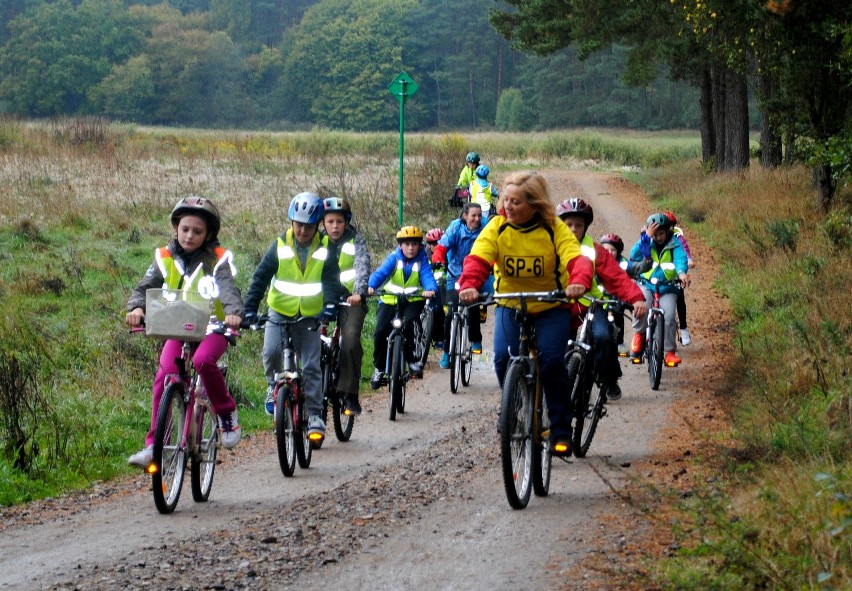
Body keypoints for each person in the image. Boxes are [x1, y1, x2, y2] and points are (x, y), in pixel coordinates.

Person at [458, 171, 593, 457]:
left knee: (552, 362)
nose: (508, 206)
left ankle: (560, 430)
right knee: (502, 358)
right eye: (506, 200)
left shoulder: (553, 227)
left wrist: (578, 280)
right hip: (511, 304)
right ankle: (513, 407)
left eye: (516, 202)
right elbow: (479, 257)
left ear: (535, 203)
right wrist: (469, 284)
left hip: (550, 306)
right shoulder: (497, 226)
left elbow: (574, 256)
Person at [125, 196, 244, 468]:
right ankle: (155, 446)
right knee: (165, 375)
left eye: (197, 231)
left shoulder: (218, 260)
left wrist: (234, 313)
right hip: (178, 326)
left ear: (209, 234)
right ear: (176, 229)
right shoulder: (164, 257)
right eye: (185, 229)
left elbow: (227, 289)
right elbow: (145, 286)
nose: (190, 236)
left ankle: (226, 413)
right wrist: (136, 308)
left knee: (203, 361)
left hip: (213, 326)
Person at [243, 192, 342, 443]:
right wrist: (249, 309)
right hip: (279, 310)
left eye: (309, 226)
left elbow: (331, 280)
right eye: (299, 225)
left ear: (318, 225)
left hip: (309, 314)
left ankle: (315, 414)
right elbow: (260, 277)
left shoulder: (325, 248)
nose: (303, 231)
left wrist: (330, 306)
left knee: (310, 365)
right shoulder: (279, 246)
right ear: (291, 222)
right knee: (271, 351)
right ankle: (271, 386)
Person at [556, 199, 647, 401]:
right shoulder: (550, 246)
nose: (573, 229)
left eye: (578, 225)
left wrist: (637, 299)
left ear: (586, 227)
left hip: (590, 304)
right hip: (560, 306)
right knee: (553, 348)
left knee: (604, 337)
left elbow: (617, 278)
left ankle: (609, 379)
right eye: (568, 225)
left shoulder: (595, 250)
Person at [368, 226, 438, 389]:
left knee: (413, 325)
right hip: (390, 300)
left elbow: (427, 276)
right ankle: (379, 368)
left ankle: (413, 360)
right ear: (400, 245)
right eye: (407, 244)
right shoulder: (393, 258)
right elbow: (381, 273)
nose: (411, 248)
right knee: (380, 332)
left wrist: (430, 289)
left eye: (414, 244)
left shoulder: (422, 260)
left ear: (420, 246)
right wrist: (371, 285)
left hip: (413, 300)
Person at [320, 196, 370, 416]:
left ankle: (349, 393)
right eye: (330, 221)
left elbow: (362, 266)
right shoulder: (316, 242)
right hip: (322, 299)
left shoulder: (355, 241)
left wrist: (358, 292)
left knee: (349, 342)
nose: (335, 226)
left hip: (350, 300)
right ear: (323, 223)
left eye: (339, 222)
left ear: (347, 222)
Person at [629, 213, 690, 367]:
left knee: (669, 316)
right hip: (646, 284)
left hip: (667, 286)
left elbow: (680, 259)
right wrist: (646, 237)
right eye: (655, 234)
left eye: (661, 233)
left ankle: (669, 352)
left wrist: (682, 274)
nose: (658, 237)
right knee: (641, 307)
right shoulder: (647, 241)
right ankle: (639, 334)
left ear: (667, 231)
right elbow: (634, 255)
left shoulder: (675, 243)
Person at [431, 202, 485, 367]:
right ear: (465, 216)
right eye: (473, 215)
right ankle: (447, 353)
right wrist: (438, 259)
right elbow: (442, 247)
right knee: (450, 315)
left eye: (479, 215)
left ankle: (475, 340)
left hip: (475, 275)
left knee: (473, 305)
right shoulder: (455, 227)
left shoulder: (485, 228)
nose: (476, 219)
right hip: (455, 275)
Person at [599, 233, 652, 356]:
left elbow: (638, 268)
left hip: (618, 298)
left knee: (618, 312)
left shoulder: (623, 263)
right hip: (599, 297)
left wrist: (647, 259)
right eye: (606, 249)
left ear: (618, 252)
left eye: (613, 250)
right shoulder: (596, 261)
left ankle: (620, 342)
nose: (609, 252)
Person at [664, 210, 695, 346]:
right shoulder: (656, 237)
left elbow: (684, 250)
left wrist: (689, 259)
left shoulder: (678, 238)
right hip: (658, 275)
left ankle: (683, 329)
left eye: (671, 225)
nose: (668, 228)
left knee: (680, 297)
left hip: (675, 273)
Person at [424, 228, 447, 350]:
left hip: (442, 286)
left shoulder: (447, 254)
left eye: (437, 243)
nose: (434, 246)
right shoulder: (423, 254)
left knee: (439, 310)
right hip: (426, 286)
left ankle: (439, 338)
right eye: (432, 243)